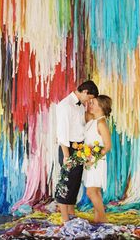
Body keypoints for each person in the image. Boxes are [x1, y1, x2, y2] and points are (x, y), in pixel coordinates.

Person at [55, 80, 99, 222]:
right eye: (90, 98)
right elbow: (62, 134)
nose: (89, 101)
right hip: (68, 148)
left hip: (79, 148)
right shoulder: (65, 105)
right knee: (66, 183)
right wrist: (66, 155)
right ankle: (64, 218)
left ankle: (71, 213)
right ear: (85, 92)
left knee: (75, 182)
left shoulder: (80, 106)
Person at [82, 95, 112, 223]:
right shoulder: (93, 120)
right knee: (95, 191)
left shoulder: (101, 123)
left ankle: (103, 218)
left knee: (91, 191)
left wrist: (94, 159)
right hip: (91, 160)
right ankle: (98, 218)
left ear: (100, 107)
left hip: (97, 162)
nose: (90, 105)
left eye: (93, 103)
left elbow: (108, 146)